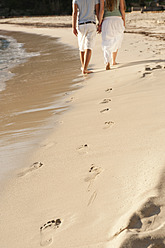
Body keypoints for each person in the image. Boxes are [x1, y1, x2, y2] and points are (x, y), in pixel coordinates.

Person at [72, 0, 100, 74]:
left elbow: (74, 13)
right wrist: (100, 24)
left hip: (81, 24)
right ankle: (85, 68)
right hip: (91, 24)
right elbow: (97, 12)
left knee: (81, 47)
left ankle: (83, 66)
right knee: (89, 47)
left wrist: (73, 27)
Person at [99, 0, 126, 70]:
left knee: (106, 42)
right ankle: (113, 61)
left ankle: (107, 61)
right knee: (116, 40)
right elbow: (122, 9)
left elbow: (101, 10)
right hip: (118, 19)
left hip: (107, 20)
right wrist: (124, 22)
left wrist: (99, 23)